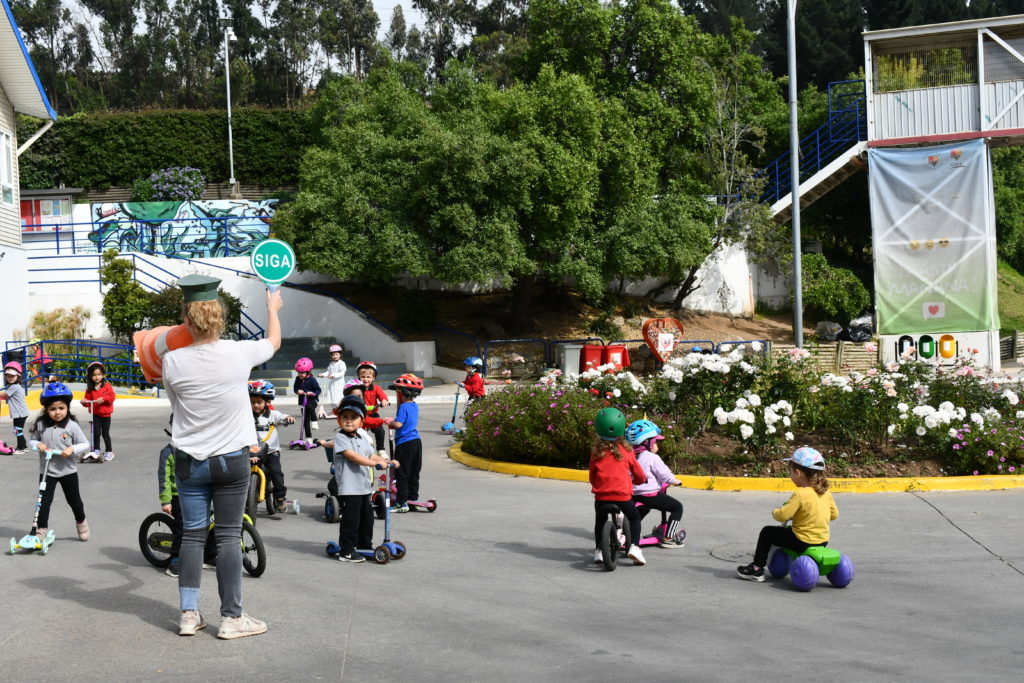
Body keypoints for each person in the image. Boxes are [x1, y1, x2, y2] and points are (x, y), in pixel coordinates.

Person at [162, 273, 282, 639]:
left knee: (193, 536)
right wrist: (272, 308)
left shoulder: (171, 361)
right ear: (219, 316)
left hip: (189, 461)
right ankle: (231, 618)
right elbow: (273, 342)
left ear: (186, 318)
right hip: (231, 460)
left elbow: (176, 406)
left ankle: (188, 615)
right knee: (229, 537)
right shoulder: (238, 352)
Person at [737, 446, 839, 582]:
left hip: (801, 541)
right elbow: (834, 515)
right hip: (822, 541)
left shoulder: (800, 494)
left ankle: (756, 568)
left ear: (798, 473)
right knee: (788, 532)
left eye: (790, 472)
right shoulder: (825, 492)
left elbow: (783, 516)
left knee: (767, 532)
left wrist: (776, 511)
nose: (790, 476)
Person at [317, 395, 394, 562]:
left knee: (367, 518)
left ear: (361, 421)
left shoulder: (361, 438)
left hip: (364, 486)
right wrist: (375, 464)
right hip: (350, 488)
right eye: (345, 417)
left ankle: (364, 546)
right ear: (338, 420)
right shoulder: (340, 438)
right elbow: (352, 457)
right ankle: (346, 550)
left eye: (353, 417)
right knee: (351, 520)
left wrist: (387, 462)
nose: (349, 420)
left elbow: (371, 455)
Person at [27, 381, 91, 541]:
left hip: (68, 471)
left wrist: (72, 449)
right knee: (44, 502)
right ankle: (41, 529)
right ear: (46, 409)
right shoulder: (41, 425)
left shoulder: (72, 426)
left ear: (67, 407)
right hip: (47, 471)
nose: (57, 412)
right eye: (53, 409)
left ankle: (81, 522)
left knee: (74, 501)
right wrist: (38, 444)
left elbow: (85, 443)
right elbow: (32, 440)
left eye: (61, 408)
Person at [589, 407, 647, 566]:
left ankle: (599, 550)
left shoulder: (596, 452)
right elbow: (638, 473)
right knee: (634, 518)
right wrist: (642, 480)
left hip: (602, 497)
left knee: (600, 521)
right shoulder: (627, 451)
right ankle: (635, 547)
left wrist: (598, 486)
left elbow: (592, 476)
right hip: (622, 497)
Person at [627, 419, 684, 548]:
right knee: (677, 508)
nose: (656, 444)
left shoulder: (628, 456)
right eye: (655, 441)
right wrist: (675, 481)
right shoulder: (652, 457)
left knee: (644, 509)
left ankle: (628, 532)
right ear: (646, 442)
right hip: (648, 495)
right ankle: (669, 537)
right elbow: (664, 475)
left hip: (632, 495)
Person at [248, 380, 295, 512]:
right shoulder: (247, 416)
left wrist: (287, 418)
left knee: (276, 473)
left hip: (271, 452)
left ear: (267, 402)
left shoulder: (272, 415)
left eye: (259, 402)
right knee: (242, 473)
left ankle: (280, 498)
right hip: (252, 451)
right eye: (252, 402)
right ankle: (246, 498)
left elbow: (281, 417)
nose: (255, 405)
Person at [385, 374, 423, 513]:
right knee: (414, 473)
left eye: (398, 391)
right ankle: (412, 499)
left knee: (402, 473)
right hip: (416, 442)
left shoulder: (403, 407)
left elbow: (399, 424)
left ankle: (401, 503)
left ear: (402, 392)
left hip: (404, 444)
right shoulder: (414, 405)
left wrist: (389, 422)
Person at [158, 416, 183, 578]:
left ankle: (209, 554)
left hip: (195, 493)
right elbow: (164, 478)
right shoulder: (168, 452)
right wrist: (166, 501)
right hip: (176, 496)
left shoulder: (197, 447)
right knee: (184, 527)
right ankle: (175, 560)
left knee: (209, 522)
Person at [81, 361, 116, 462]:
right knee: (96, 433)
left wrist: (104, 399)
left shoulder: (107, 386)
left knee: (105, 434)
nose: (97, 377)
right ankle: (96, 450)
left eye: (99, 374)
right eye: (94, 375)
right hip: (95, 415)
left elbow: (112, 397)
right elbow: (88, 402)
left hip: (106, 415)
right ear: (90, 376)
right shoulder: (90, 389)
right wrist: (84, 402)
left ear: (103, 375)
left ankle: (109, 451)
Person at [355, 361, 389, 453]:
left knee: (380, 431)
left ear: (373, 378)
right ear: (359, 377)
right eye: (363, 377)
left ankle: (380, 449)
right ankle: (359, 449)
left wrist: (384, 401)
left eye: (368, 377)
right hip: (360, 415)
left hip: (373, 414)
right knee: (358, 433)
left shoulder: (376, 388)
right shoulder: (356, 388)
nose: (365, 379)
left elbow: (382, 395)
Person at [1, 361, 29, 453]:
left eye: (12, 376)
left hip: (20, 413)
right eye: (8, 376)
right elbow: (5, 396)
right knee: (17, 430)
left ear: (18, 376)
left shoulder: (15, 387)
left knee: (17, 430)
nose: (10, 378)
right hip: (20, 413)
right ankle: (23, 446)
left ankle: (22, 447)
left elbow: (4, 394)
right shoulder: (14, 386)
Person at [293, 358, 321, 442]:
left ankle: (314, 420)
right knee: (305, 420)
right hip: (303, 401)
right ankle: (308, 438)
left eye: (302, 373)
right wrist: (298, 391)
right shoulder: (298, 379)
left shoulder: (312, 380)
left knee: (309, 406)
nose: (300, 374)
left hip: (313, 400)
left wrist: (313, 393)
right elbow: (295, 388)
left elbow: (318, 390)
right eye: (299, 372)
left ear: (308, 372)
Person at [317, 344, 347, 418]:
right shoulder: (331, 364)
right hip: (332, 384)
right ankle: (334, 410)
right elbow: (328, 372)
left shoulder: (342, 363)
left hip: (339, 384)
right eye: (333, 355)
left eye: (336, 354)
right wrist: (322, 374)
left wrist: (334, 375)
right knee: (331, 398)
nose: (335, 356)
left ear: (340, 354)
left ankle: (340, 410)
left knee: (338, 398)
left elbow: (342, 373)